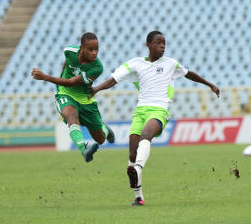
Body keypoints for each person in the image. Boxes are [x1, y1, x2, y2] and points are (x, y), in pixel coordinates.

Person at [89, 31, 220, 206]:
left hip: (159, 110)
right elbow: (114, 79)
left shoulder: (170, 64)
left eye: (164, 43)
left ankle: (136, 169)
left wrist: (210, 84)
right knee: (132, 153)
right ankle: (138, 196)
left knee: (146, 136)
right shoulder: (136, 64)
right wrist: (96, 88)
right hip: (140, 110)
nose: (162, 46)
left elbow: (189, 74)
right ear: (148, 45)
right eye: (158, 43)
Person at [31, 33, 114, 162]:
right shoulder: (69, 51)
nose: (94, 53)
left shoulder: (97, 67)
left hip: (85, 99)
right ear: (82, 48)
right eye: (91, 49)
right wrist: (62, 77)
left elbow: (71, 82)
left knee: (101, 139)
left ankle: (105, 129)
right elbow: (67, 64)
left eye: (97, 49)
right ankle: (84, 148)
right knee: (71, 117)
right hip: (65, 93)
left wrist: (45, 77)